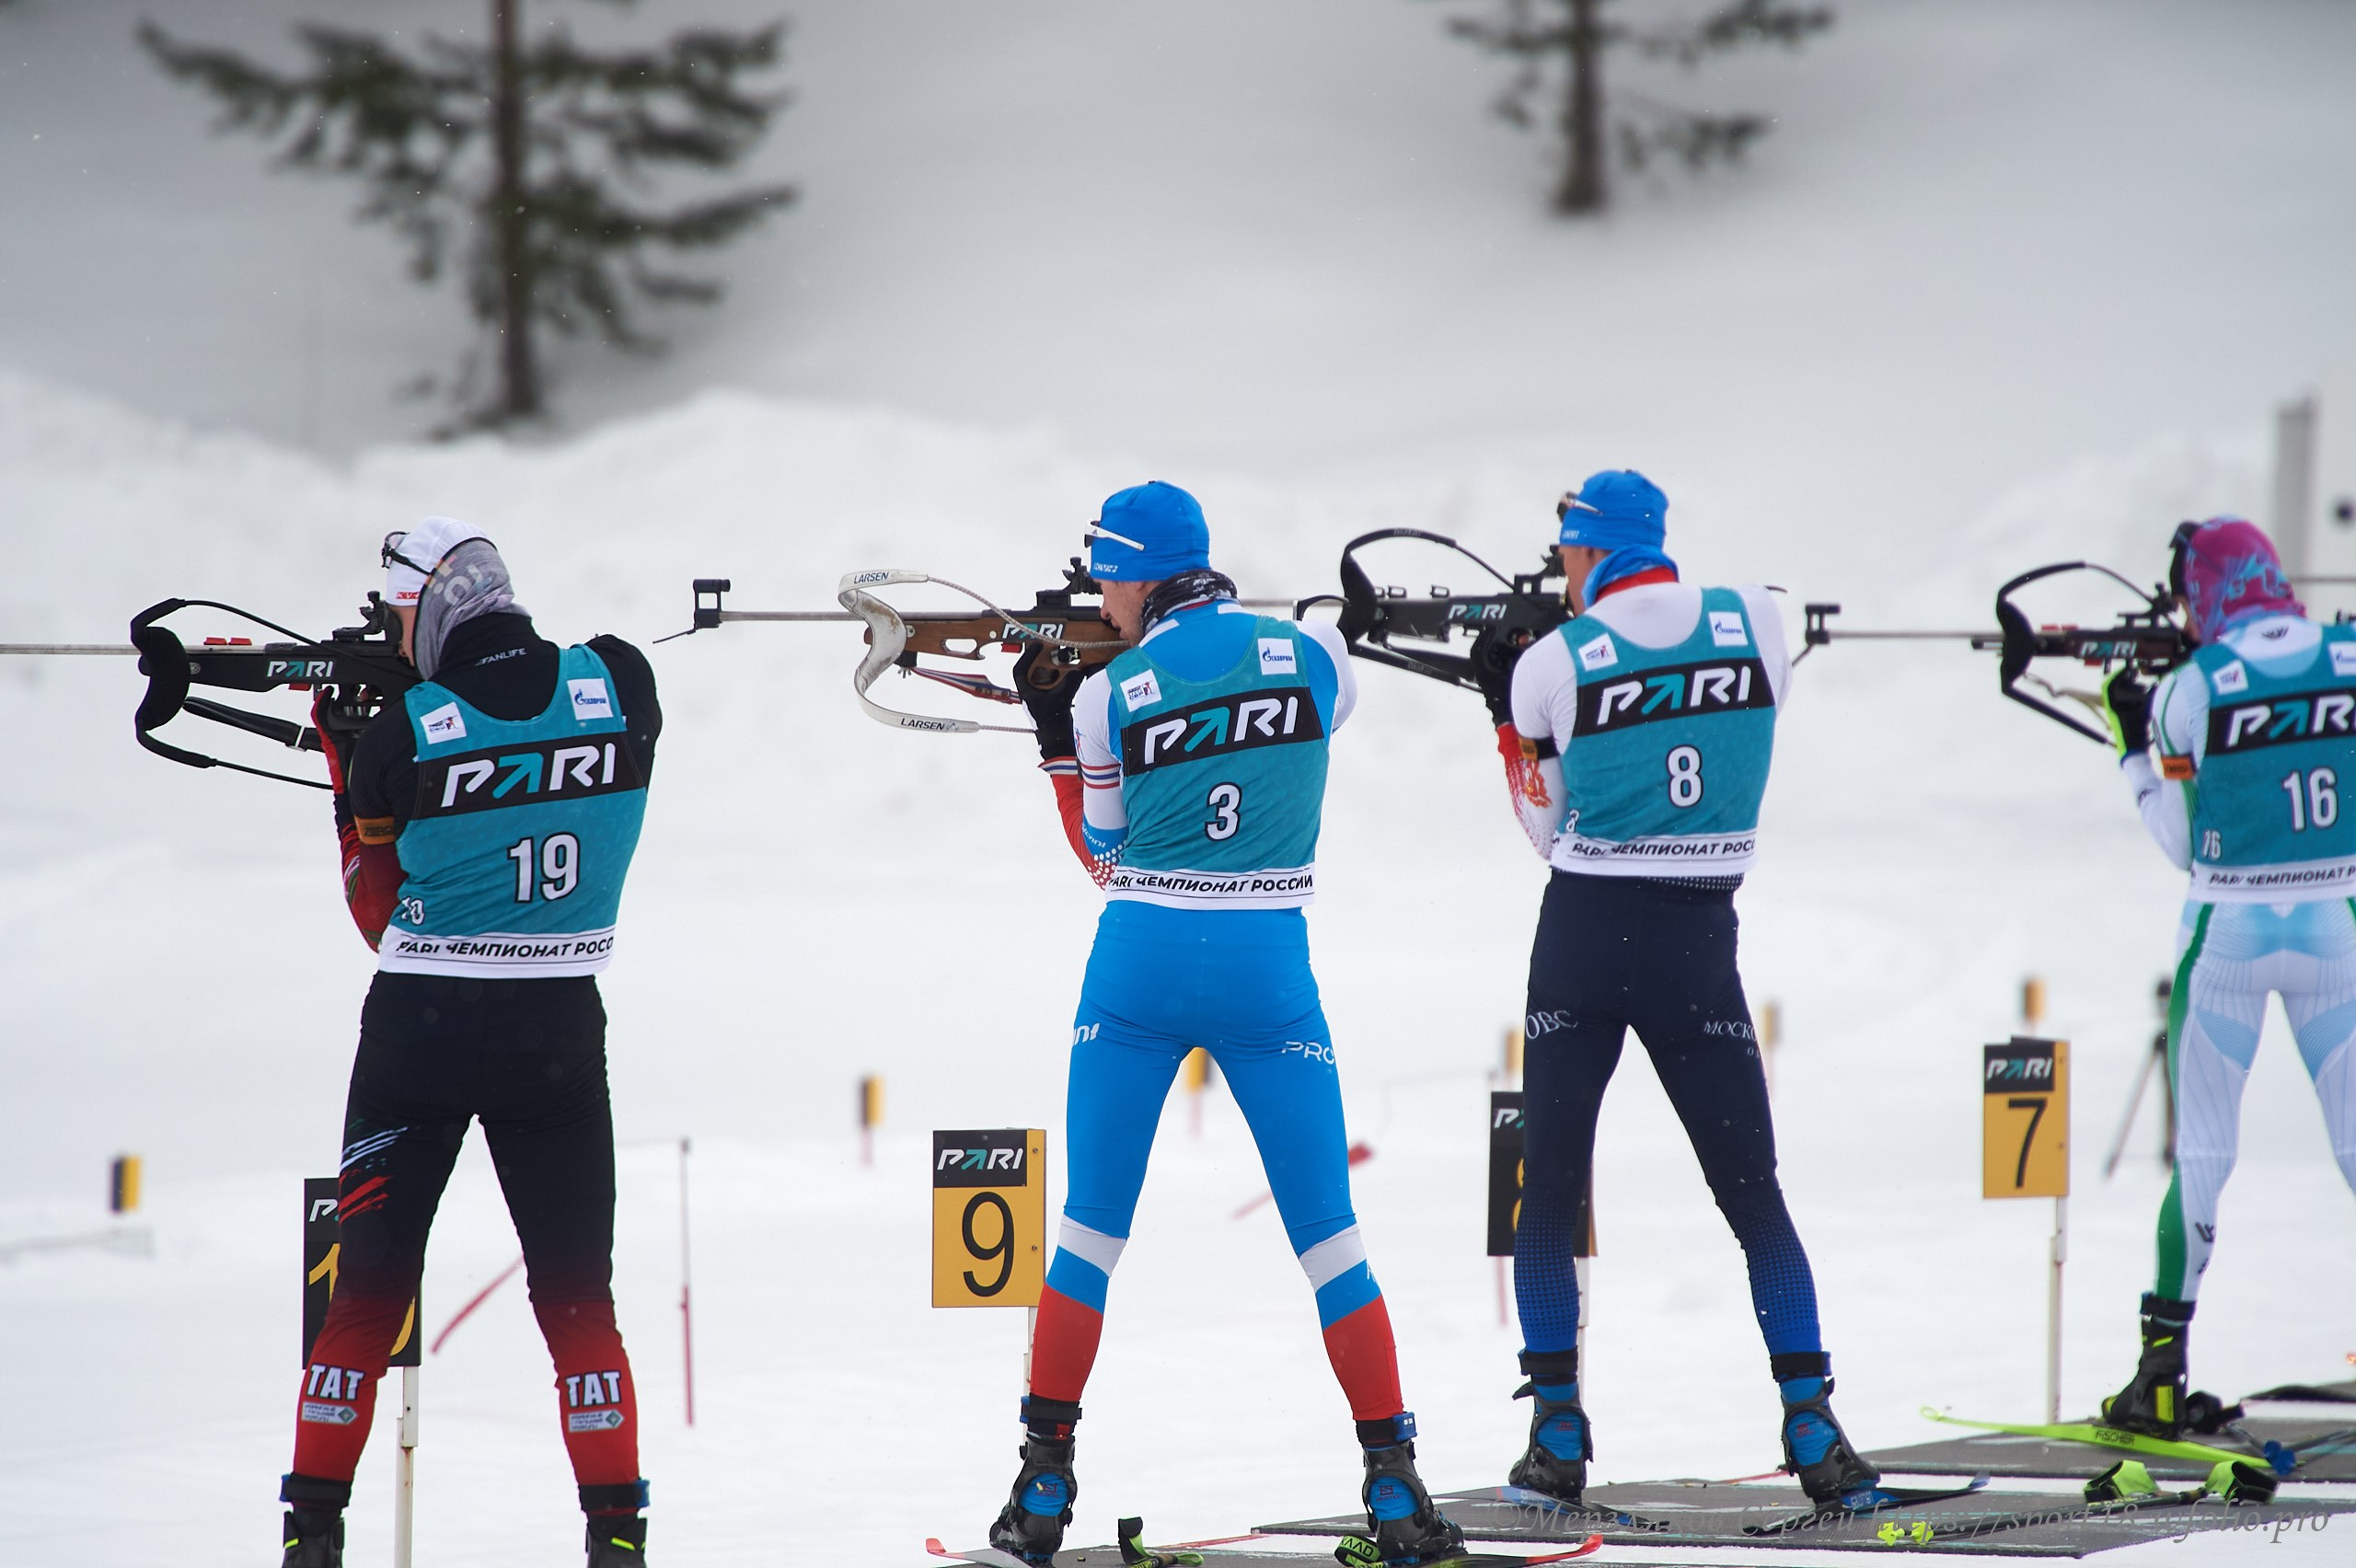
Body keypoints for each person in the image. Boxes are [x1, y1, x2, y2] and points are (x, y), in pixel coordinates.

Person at [987, 481, 1462, 1566]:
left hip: (1139, 964)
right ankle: (1394, 1482)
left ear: (1141, 571)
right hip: (1268, 969)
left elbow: (1105, 855)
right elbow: (1299, 698)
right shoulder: (1315, 660)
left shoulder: (1114, 693)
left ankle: (1043, 1482)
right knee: (1330, 1238)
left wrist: (1055, 733)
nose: (1097, 593)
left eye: (1106, 569)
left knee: (1088, 1234)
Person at [1473, 469, 1877, 1507]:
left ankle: (1555, 1430)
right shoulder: (1761, 621)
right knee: (1754, 1198)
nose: (1559, 571)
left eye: (1565, 552)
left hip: (1580, 934)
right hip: (1698, 940)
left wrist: (1504, 719)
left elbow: (1545, 829)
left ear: (1590, 549)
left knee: (1548, 1193)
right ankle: (1811, 1419)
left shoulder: (1553, 663)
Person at [277, 517, 663, 1568]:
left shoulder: (404, 732)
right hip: (557, 1027)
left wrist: (342, 753)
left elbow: (374, 911)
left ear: (425, 611)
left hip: (422, 1027)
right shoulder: (622, 682)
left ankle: (310, 1536)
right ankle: (617, 1537)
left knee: (363, 1302)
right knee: (581, 1301)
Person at [2098, 518, 2356, 1435]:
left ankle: (2160, 1372)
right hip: (2338, 922)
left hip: (2228, 931)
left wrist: (2129, 743)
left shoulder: (2188, 688)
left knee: (2203, 1156)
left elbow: (2176, 841)